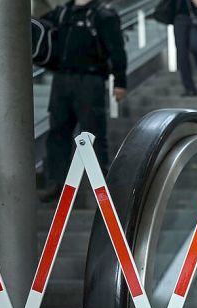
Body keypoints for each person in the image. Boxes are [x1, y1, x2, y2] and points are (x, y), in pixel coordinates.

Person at [40, 0, 127, 201]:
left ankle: (101, 186)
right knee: (57, 133)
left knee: (93, 133)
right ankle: (57, 185)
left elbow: (117, 48)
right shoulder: (62, 13)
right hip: (61, 79)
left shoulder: (103, 15)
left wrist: (120, 82)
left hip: (90, 80)